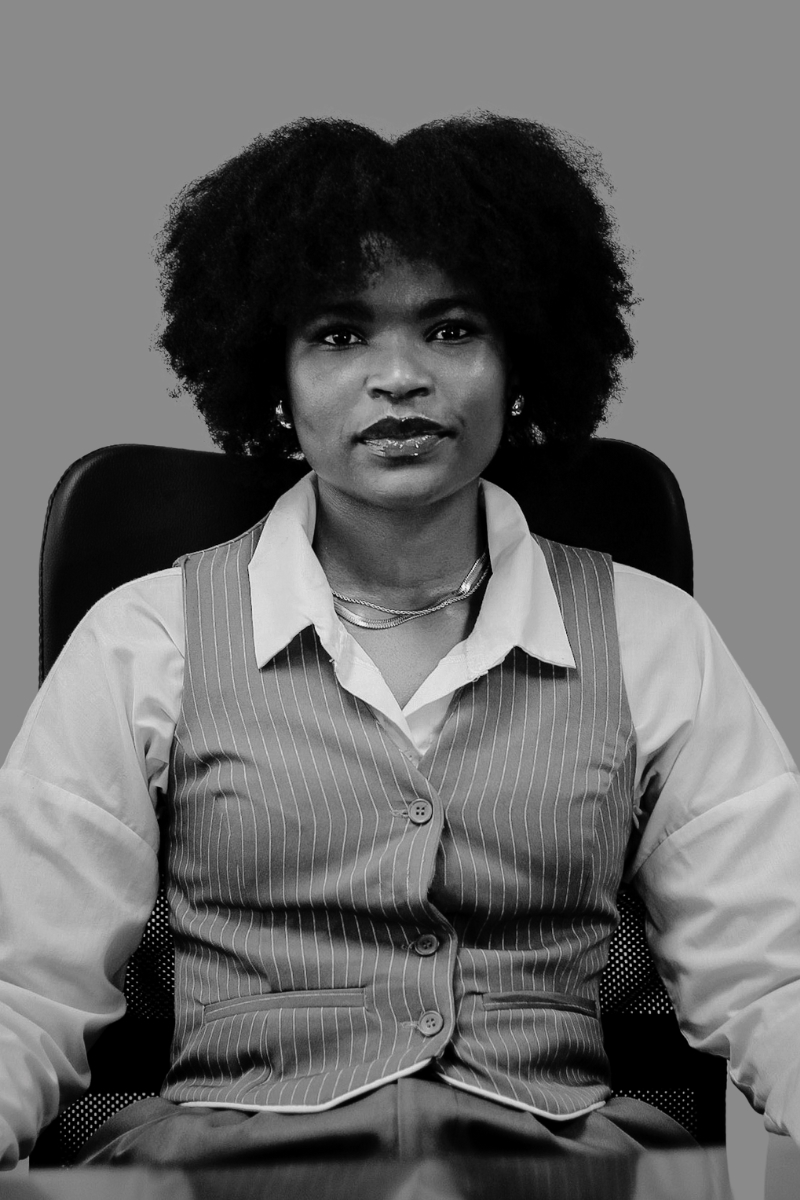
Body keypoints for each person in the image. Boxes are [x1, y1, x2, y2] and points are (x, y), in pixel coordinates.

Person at [1, 113, 799, 1173]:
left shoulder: (652, 635)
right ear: (274, 378)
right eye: (340, 336)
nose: (400, 378)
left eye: (451, 330)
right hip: (228, 1170)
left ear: (519, 364)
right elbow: (22, 987)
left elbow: (775, 977)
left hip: (554, 1169)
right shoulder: (145, 638)